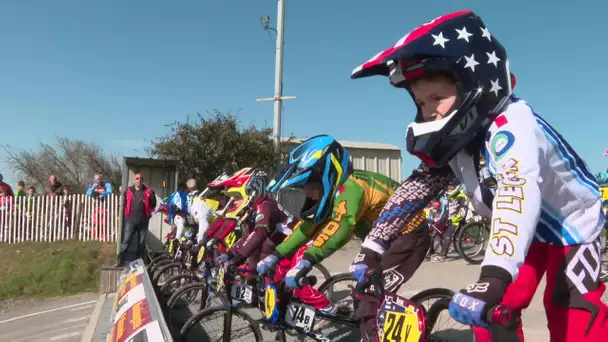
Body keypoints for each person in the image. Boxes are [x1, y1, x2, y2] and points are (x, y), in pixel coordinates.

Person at [349, 9, 608, 341]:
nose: (428, 111)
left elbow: (516, 188)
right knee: (487, 316)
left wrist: (495, 275)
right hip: (526, 233)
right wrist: (372, 247)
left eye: (437, 98)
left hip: (572, 226)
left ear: (475, 83)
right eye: (420, 102)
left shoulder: (514, 121)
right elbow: (415, 190)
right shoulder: (458, 142)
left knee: (570, 312)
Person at [256, 135, 401, 331]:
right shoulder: (334, 192)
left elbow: (342, 227)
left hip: (406, 236)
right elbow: (307, 228)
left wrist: (307, 260)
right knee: (367, 293)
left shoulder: (351, 188)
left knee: (374, 309)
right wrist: (276, 254)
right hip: (380, 241)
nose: (309, 195)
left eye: (311, 188)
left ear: (328, 176)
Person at [215, 170, 296, 284]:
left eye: (238, 197)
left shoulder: (265, 206)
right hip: (273, 243)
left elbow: (258, 234)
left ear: (252, 193)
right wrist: (229, 254)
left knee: (264, 248)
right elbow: (248, 236)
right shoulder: (253, 208)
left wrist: (238, 258)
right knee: (252, 273)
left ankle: (283, 293)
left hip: (286, 242)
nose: (235, 202)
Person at [116, 173, 156, 266]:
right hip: (130, 220)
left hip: (143, 221)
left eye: (141, 178)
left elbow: (153, 205)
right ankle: (120, 260)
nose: (139, 180)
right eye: (137, 178)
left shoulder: (149, 191)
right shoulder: (128, 191)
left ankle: (139, 262)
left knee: (141, 243)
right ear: (134, 180)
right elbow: (125, 203)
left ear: (143, 180)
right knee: (126, 241)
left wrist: (148, 215)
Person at [430, 182, 469, 262]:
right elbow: (446, 210)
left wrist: (454, 219)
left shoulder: (462, 196)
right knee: (433, 229)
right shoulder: (449, 196)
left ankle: (442, 256)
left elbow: (463, 211)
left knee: (447, 235)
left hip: (456, 221)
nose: (450, 187)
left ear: (457, 186)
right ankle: (430, 252)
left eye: (452, 185)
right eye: (449, 185)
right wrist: (441, 219)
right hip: (446, 219)